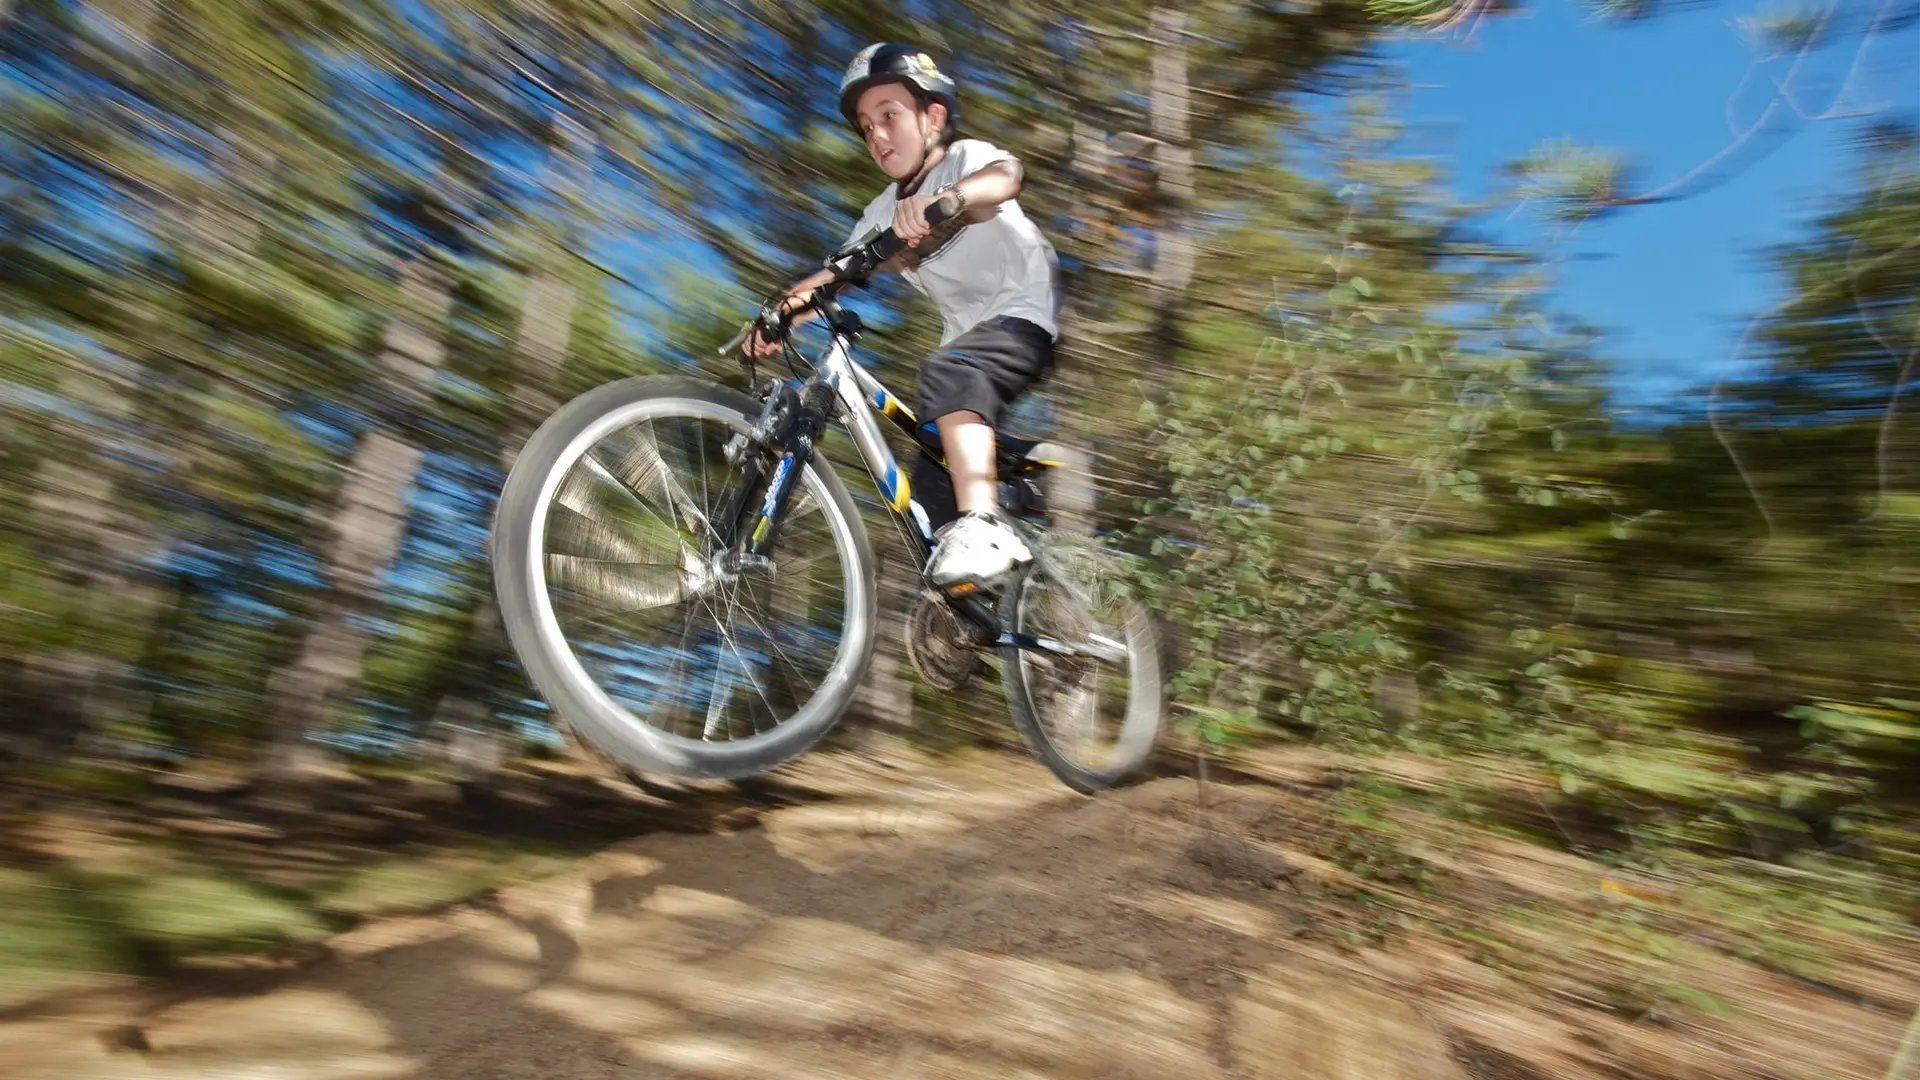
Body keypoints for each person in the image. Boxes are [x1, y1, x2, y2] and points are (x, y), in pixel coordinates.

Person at [743, 42, 1061, 592]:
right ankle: (969, 605)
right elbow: (833, 275)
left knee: (948, 373)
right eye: (867, 128)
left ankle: (986, 523)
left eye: (889, 116)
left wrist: (950, 200)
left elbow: (1006, 176)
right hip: (968, 340)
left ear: (933, 117)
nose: (878, 137)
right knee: (934, 487)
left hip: (1025, 313)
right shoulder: (881, 212)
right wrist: (778, 315)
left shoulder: (962, 159)